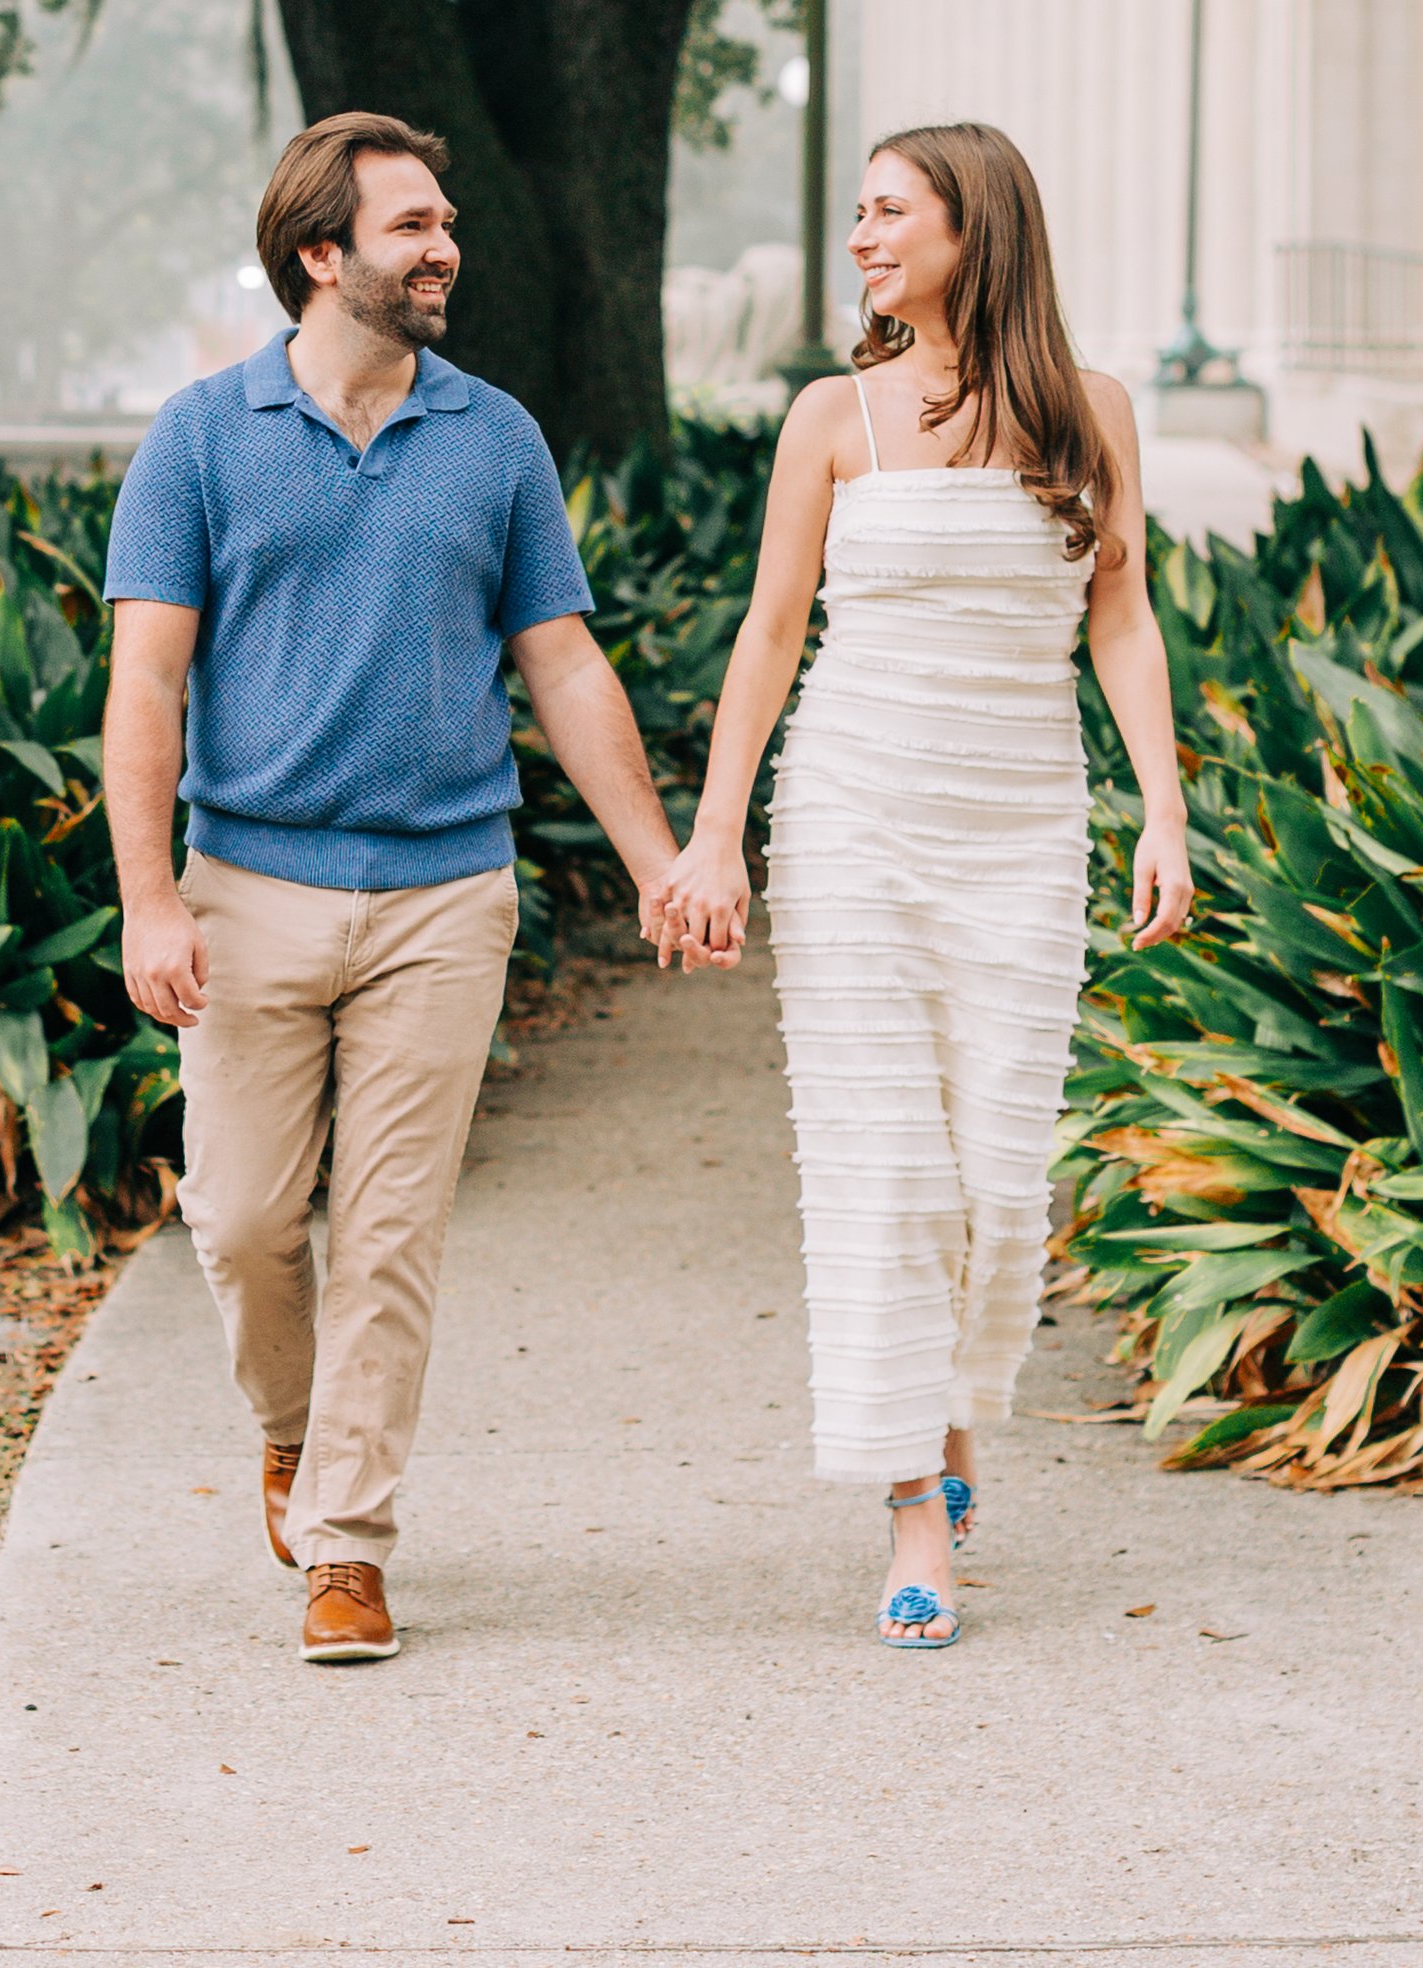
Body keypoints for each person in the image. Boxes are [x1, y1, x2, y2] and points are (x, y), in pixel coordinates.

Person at [104, 110, 701, 1663]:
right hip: (248, 888)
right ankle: (295, 1431)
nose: (447, 249)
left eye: (448, 225)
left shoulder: (494, 436)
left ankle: (348, 1546)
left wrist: (657, 860)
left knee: (387, 1234)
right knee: (238, 1221)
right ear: (323, 252)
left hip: (447, 895)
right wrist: (149, 895)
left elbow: (562, 665)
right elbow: (146, 682)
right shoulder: (201, 436)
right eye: (415, 226)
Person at [657, 124, 1194, 1649]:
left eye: (888, 211)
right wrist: (714, 837)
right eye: (860, 213)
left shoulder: (1093, 412)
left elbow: (1124, 619)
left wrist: (1163, 808)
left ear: (977, 227)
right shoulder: (836, 417)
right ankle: (913, 1503)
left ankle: (954, 1423)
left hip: (1023, 823)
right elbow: (768, 636)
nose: (862, 237)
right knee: (887, 1162)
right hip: (853, 817)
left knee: (999, 1180)